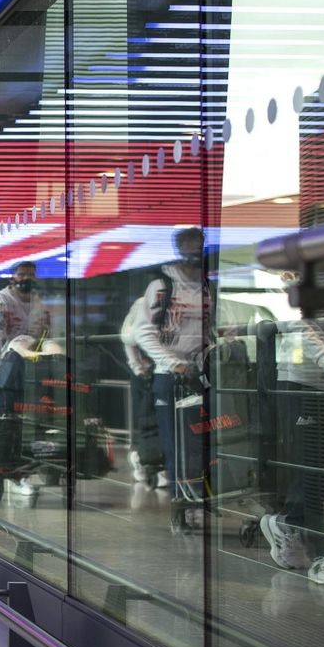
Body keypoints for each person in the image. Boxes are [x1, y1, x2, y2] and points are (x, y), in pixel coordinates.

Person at [259, 273, 324, 584]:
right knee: (313, 469)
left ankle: (289, 523)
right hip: (303, 382)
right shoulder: (309, 268)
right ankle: (321, 553)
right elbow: (299, 322)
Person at [132, 227, 209, 530]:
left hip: (200, 374)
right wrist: (172, 363)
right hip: (170, 377)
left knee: (201, 442)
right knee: (177, 445)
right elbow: (143, 333)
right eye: (189, 245)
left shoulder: (207, 286)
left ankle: (199, 499)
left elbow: (207, 331)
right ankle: (182, 504)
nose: (195, 251)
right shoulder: (161, 286)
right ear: (179, 249)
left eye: (199, 245)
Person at [0, 261, 52, 496]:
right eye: (22, 274)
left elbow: (45, 335)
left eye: (31, 275)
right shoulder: (1, 301)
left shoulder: (39, 304)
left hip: (32, 371)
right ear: (12, 277)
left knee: (27, 425)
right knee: (4, 422)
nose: (26, 278)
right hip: (6, 369)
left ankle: (20, 473)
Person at [120, 295, 167, 488]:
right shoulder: (144, 304)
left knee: (160, 419)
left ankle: (154, 461)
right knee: (149, 418)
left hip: (163, 370)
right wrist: (138, 368)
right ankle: (145, 458)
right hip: (148, 372)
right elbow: (128, 337)